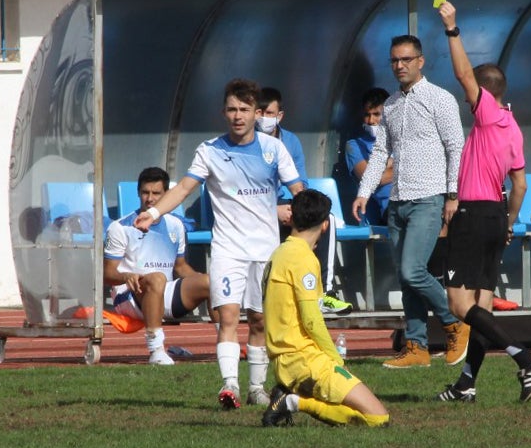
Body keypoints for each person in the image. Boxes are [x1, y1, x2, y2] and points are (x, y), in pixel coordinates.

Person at [134, 78, 304, 409]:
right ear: (223, 113)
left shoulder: (273, 149)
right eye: (231, 109)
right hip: (228, 249)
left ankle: (256, 387)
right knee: (227, 316)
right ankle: (230, 387)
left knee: (258, 320)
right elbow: (183, 188)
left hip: (265, 250)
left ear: (256, 113)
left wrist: (307, 218)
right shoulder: (210, 151)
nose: (237, 116)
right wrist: (153, 212)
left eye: (243, 109)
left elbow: (298, 188)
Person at [433, 1, 531, 404]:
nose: (467, 101)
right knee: (483, 304)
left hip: (474, 213)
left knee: (459, 303)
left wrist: (452, 28)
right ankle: (467, 384)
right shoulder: (513, 127)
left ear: (483, 95)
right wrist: (511, 221)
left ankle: (525, 356)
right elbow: (520, 184)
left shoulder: (486, 114)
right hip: (497, 216)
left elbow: (464, 74)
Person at [352, 34, 470, 370]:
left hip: (429, 198)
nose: (399, 66)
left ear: (421, 61)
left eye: (406, 59)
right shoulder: (389, 104)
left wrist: (451, 194)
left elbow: (455, 149)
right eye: (394, 60)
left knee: (413, 270)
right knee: (406, 279)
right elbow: (379, 153)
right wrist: (364, 192)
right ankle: (416, 346)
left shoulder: (440, 99)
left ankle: (454, 323)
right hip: (397, 201)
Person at [260, 189, 390, 427]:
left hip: (283, 361)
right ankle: (292, 402)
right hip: (304, 361)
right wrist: (334, 359)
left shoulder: (278, 253)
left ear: (292, 218)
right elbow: (311, 320)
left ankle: (288, 396)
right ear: (325, 226)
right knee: (378, 418)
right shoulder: (304, 258)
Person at [257, 86, 352, 316]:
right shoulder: (246, 142)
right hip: (257, 210)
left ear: (280, 115)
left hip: (288, 205)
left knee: (324, 217)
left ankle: (325, 293)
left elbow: (300, 183)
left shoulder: (291, 141)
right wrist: (273, 209)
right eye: (260, 112)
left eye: (269, 113)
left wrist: (297, 208)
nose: (263, 118)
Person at [104, 167, 212, 365]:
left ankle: (226, 343)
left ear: (166, 195)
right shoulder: (120, 227)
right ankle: (156, 350)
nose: (150, 199)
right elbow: (107, 272)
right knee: (156, 278)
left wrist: (200, 281)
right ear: (138, 193)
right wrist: (126, 276)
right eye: (145, 192)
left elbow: (180, 267)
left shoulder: (175, 225)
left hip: (164, 292)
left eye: (156, 193)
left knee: (210, 281)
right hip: (129, 295)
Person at [344, 87, 394, 227]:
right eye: (367, 114)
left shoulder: (401, 139)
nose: (371, 120)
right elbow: (369, 178)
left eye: (377, 114)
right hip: (388, 210)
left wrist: (390, 166)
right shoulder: (354, 145)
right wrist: (403, 166)